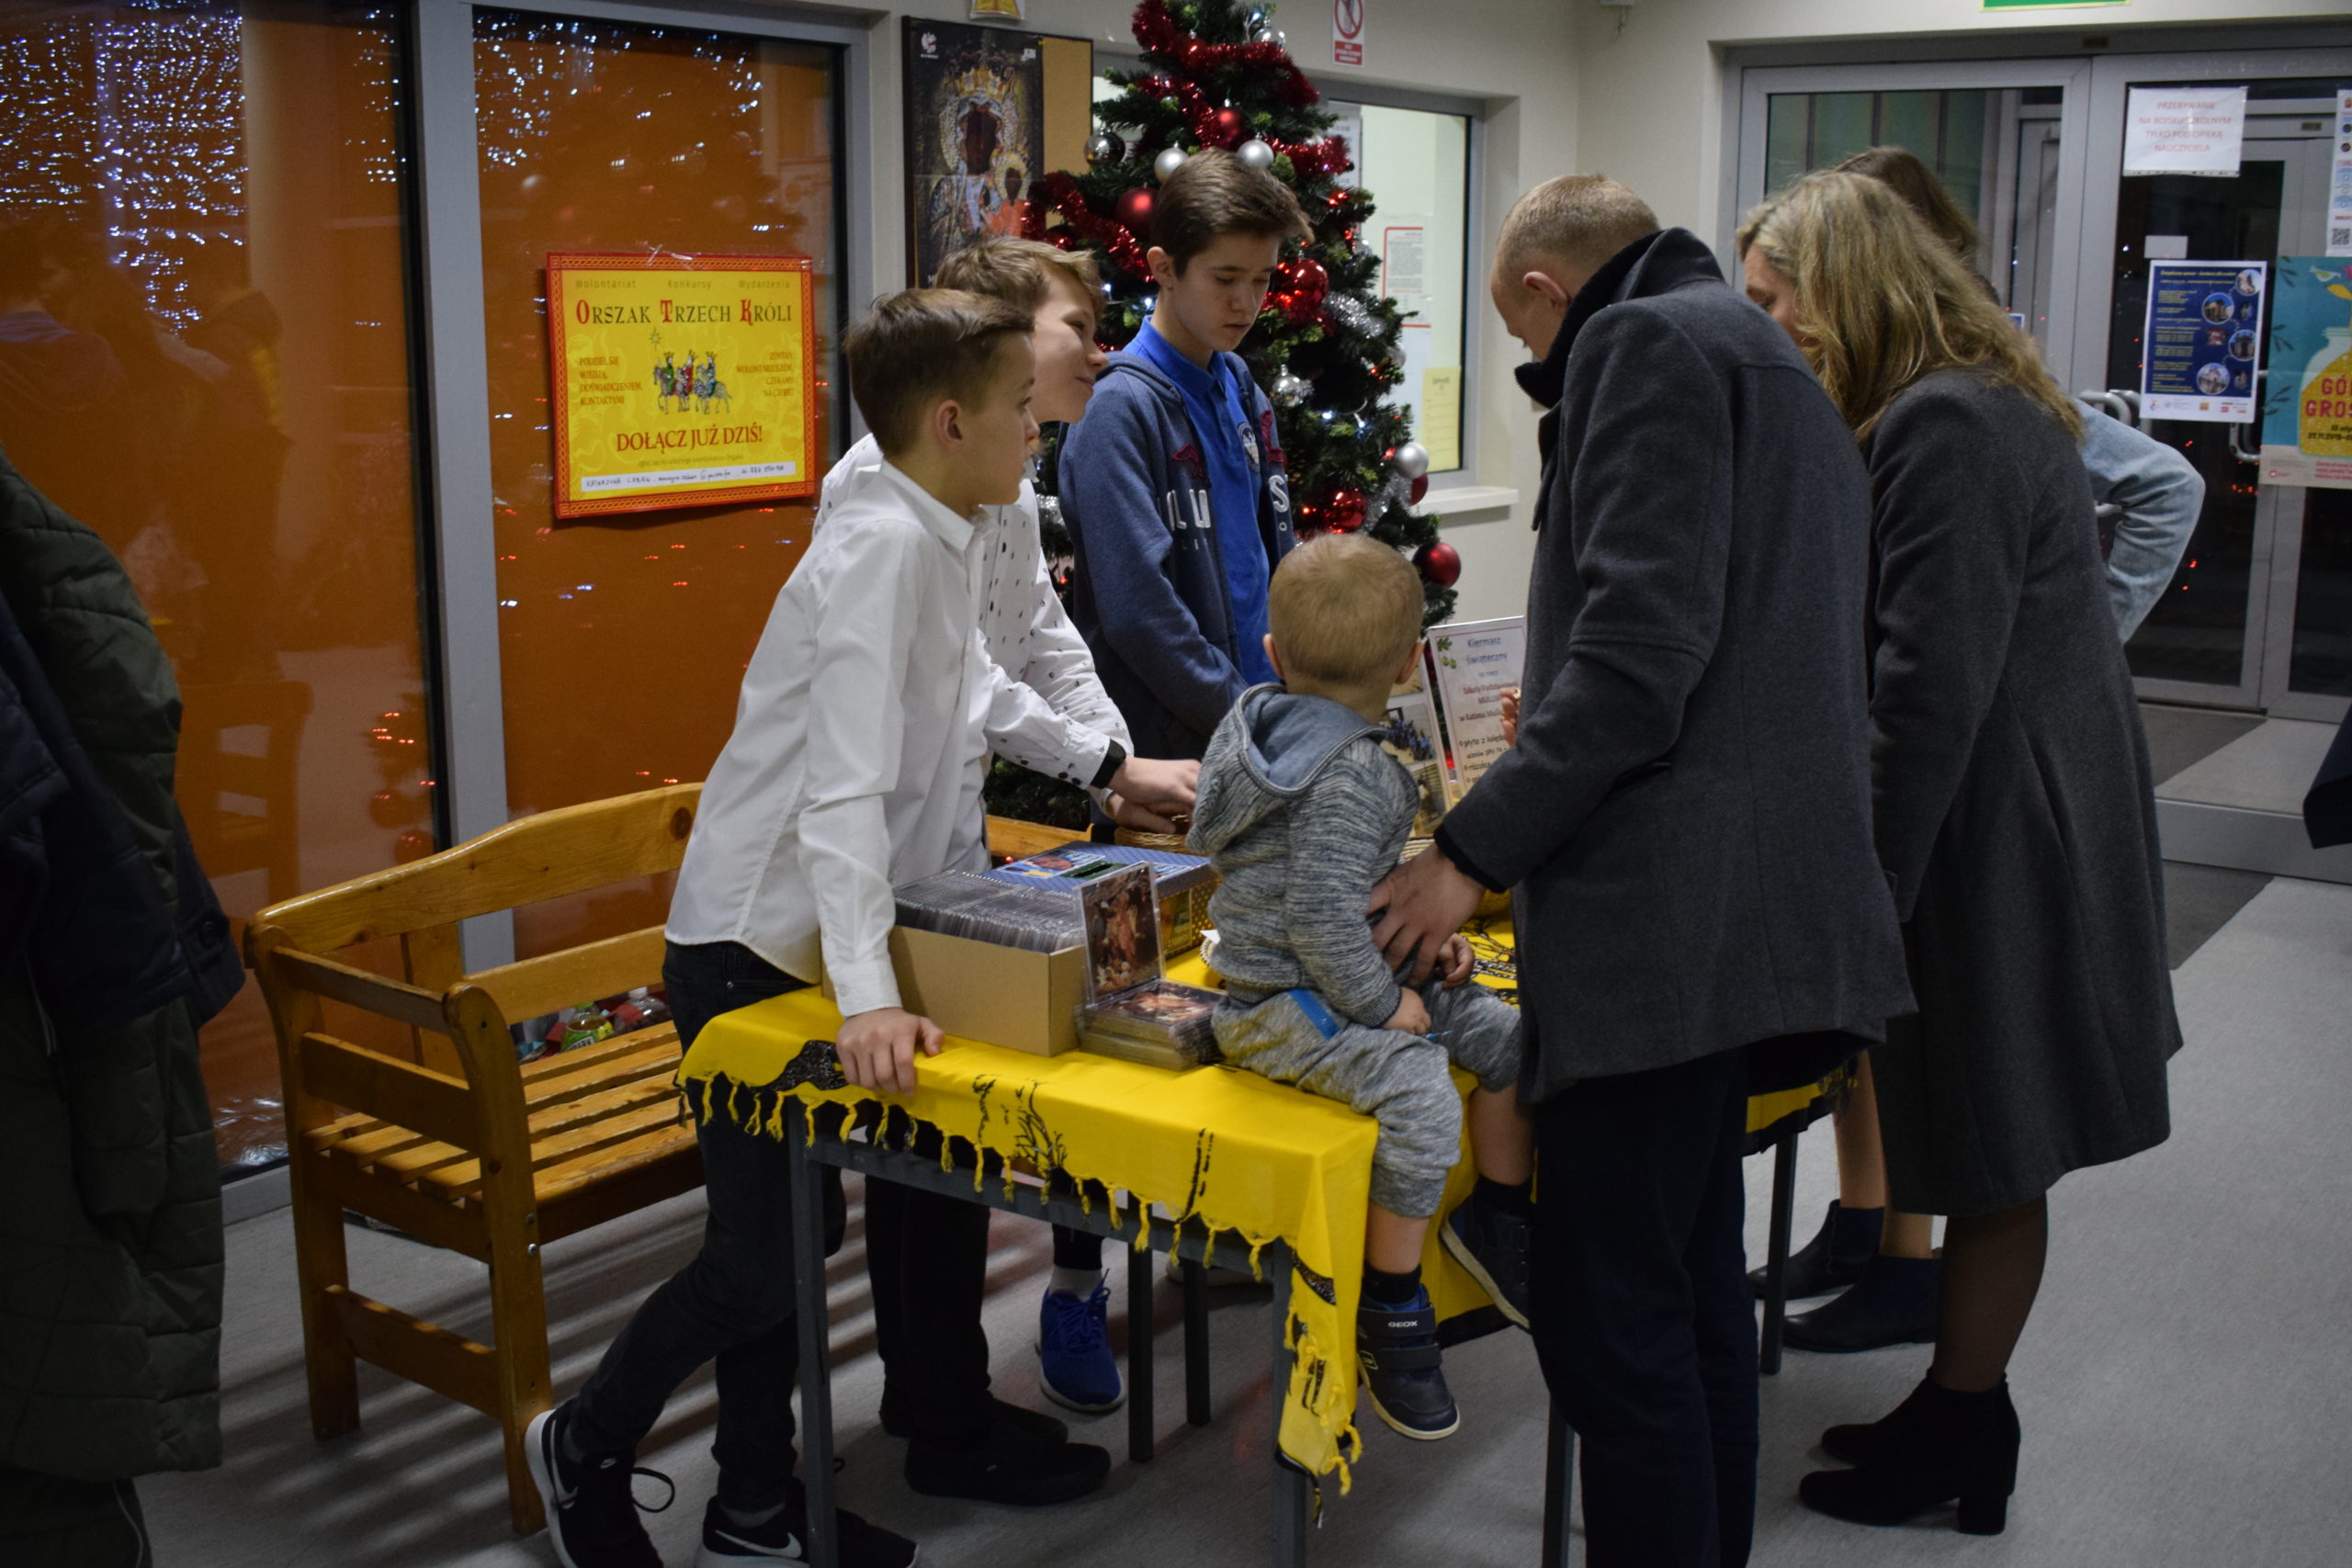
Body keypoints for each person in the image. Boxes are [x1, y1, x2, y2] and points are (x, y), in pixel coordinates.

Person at [1368, 176, 1913, 1568]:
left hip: (1667, 931)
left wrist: (1466, 855)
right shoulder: (1758, 351)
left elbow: (1635, 662)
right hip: (1754, 914)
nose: (1536, 367)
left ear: (1545, 294)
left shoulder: (1640, 344)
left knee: (1616, 1328)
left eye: (1523, 343)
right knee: (1690, 1295)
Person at [525, 289, 1110, 1568]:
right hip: (748, 945)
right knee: (759, 1257)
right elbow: (839, 792)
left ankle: (750, 1511)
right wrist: (868, 996)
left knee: (793, 1241)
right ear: (950, 420)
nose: (1036, 430)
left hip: (823, 938)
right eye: (1019, 408)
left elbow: (962, 709)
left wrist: (1097, 764)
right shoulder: (882, 547)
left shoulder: (943, 531)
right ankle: (584, 1438)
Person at [1738, 169, 2180, 1535]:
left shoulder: (1945, 423)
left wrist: (1857, 904)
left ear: (1847, 287)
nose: (1768, 325)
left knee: (1996, 1138)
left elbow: (1922, 696)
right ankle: (1959, 1404)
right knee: (1990, 1134)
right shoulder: (1966, 396)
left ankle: (1968, 1418)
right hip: (2014, 807)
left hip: (1999, 835)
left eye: (1776, 298)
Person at [813, 235, 1201, 1417]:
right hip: (868, 867)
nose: (1097, 350)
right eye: (1076, 325)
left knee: (947, 1143)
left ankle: (945, 1399)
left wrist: (1115, 772)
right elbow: (966, 680)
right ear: (996, 332)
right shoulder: (881, 500)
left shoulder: (1011, 488)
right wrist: (1106, 764)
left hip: (945, 846)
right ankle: (934, 1403)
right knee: (917, 1143)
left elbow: (1044, 642)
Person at [1186, 533, 1534, 1441]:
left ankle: (1497, 1219)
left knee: (1509, 1042)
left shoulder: (1258, 720)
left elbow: (1346, 895)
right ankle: (1391, 1300)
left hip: (1344, 966)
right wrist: (1385, 1005)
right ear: (1411, 663)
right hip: (1278, 1002)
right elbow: (1316, 921)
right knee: (1422, 1095)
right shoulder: (1356, 775)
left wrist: (1422, 955)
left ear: (1273, 654)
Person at [1057, 147, 1305, 763]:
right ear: (1163, 268)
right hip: (1174, 757)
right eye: (1225, 279)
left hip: (1265, 718)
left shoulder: (1241, 387)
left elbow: (1275, 556)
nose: (1247, 303)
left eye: (1262, 280)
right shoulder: (1117, 408)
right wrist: (1244, 717)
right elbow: (1139, 613)